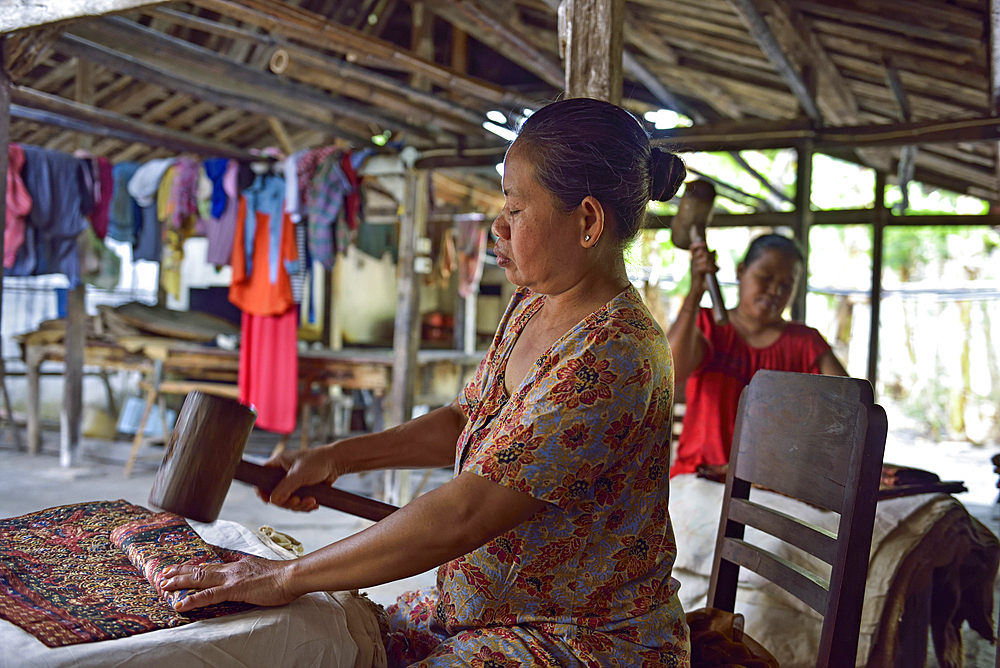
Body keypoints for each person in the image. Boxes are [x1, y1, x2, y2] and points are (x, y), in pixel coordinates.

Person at [161, 97, 692, 666]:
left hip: (575, 639)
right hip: (477, 611)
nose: (497, 225)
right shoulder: (534, 305)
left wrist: (288, 575)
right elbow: (468, 420)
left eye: (515, 209)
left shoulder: (615, 355)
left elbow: (461, 515)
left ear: (587, 221)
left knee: (299, 615)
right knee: (302, 638)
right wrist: (339, 457)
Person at [668, 233, 848, 478]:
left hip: (774, 487)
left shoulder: (805, 343)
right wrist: (695, 293)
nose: (775, 290)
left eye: (786, 285)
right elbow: (670, 371)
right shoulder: (706, 325)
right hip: (702, 478)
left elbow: (851, 408)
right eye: (765, 278)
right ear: (741, 271)